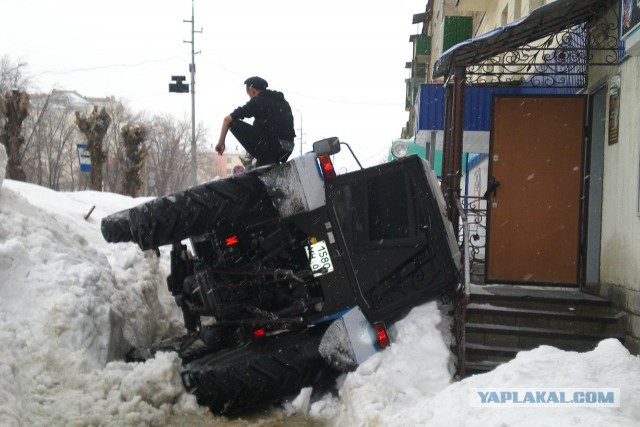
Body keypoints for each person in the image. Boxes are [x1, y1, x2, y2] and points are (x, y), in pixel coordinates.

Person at [216, 76, 295, 167]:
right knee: (257, 126)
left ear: (252, 90)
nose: (250, 99)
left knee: (233, 123)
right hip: (287, 149)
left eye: (249, 95)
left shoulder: (259, 101)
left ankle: (263, 161)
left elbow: (227, 119)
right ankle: (262, 162)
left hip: (272, 147)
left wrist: (221, 143)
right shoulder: (280, 101)